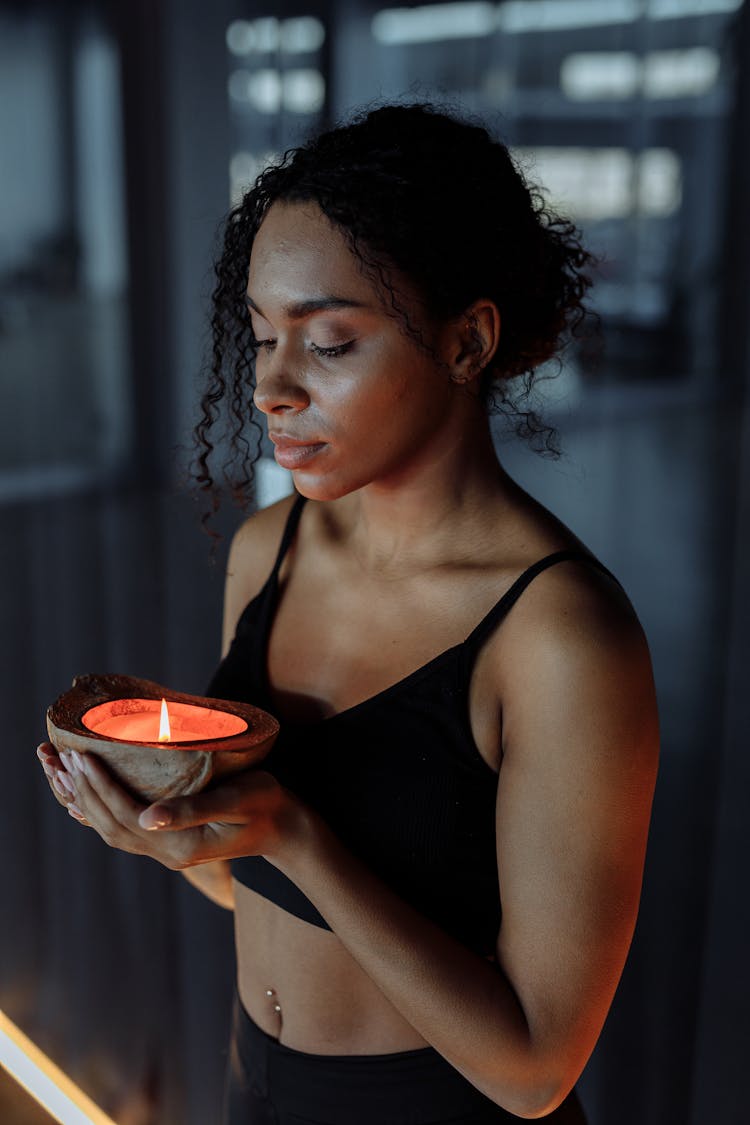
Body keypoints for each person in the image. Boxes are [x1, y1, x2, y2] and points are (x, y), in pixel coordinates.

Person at [37, 103, 659, 1124]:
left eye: (328, 343)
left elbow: (536, 1071)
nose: (272, 388)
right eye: (261, 336)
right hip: (257, 1088)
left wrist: (295, 836)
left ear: (468, 342)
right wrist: (173, 836)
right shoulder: (266, 554)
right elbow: (270, 893)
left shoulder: (558, 637)